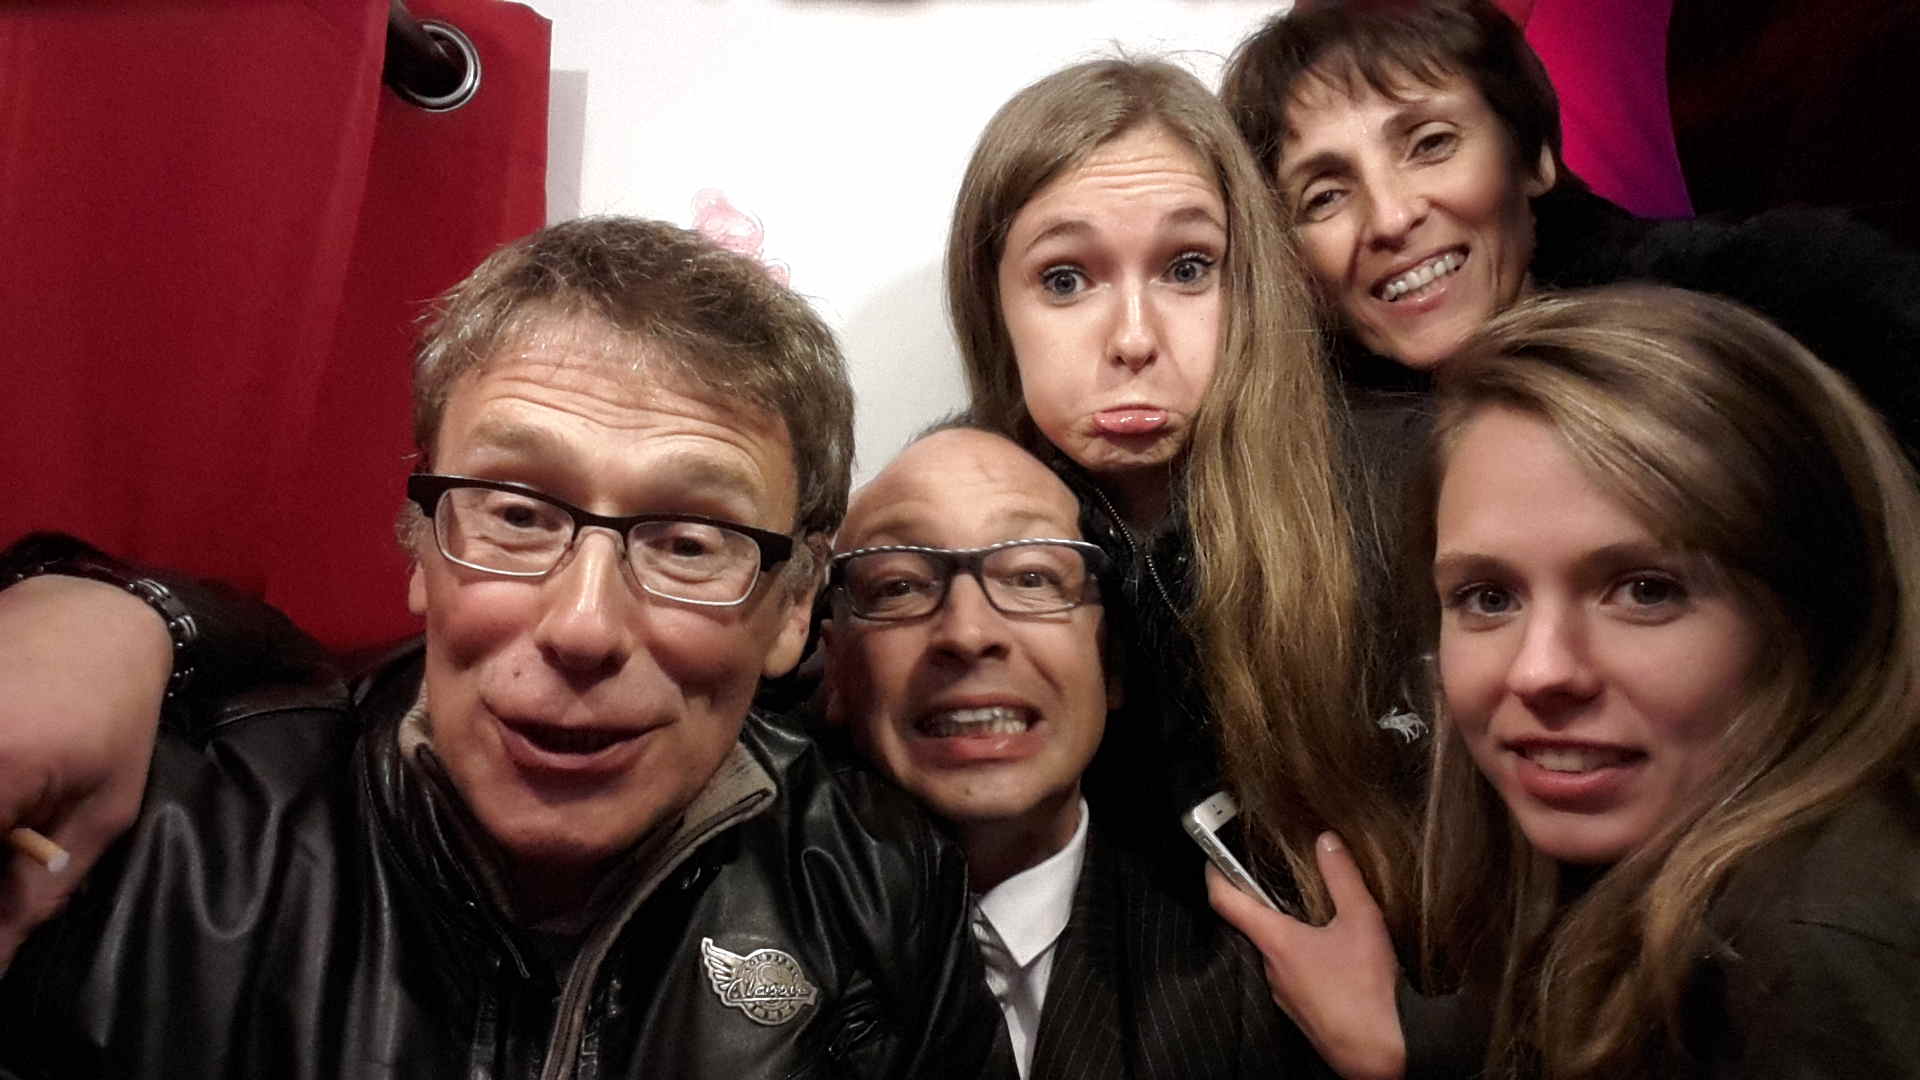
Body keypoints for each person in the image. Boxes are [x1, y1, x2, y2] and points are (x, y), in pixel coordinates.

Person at [0, 216, 1005, 1077]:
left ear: (792, 605)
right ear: (420, 543)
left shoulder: (879, 890)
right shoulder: (160, 854)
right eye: (518, 515)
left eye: (691, 542)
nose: (583, 626)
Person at [1213, 285, 1920, 1078]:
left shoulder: (1822, 958)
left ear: (1817, 610)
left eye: (1646, 590)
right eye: (1489, 598)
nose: (1540, 671)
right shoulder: (1633, 874)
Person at [946, 56, 1417, 941]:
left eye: (1189, 268)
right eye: (1064, 279)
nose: (1134, 338)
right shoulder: (945, 535)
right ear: (992, 305)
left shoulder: (1403, 486)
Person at [821, 424, 1321, 1079]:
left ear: (1111, 662)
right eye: (899, 585)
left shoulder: (1259, 994)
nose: (967, 632)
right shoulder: (734, 952)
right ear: (833, 666)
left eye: (1032, 577)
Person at [1219, 0, 1920, 447]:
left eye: (1431, 144)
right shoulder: (1299, 482)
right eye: (1324, 196)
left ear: (1533, 158)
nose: (1392, 217)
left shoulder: (1797, 321)